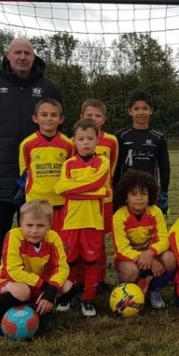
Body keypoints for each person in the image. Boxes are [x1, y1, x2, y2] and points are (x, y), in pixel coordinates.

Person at [0, 38, 63, 282]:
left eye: (27, 53)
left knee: (39, 222)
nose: (22, 57)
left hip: (40, 174)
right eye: (18, 52)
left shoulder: (49, 87)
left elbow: (58, 119)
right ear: (8, 55)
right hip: (1, 168)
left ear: (34, 57)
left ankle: (43, 267)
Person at [0, 199, 75, 337]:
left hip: (37, 283)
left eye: (40, 225)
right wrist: (45, 286)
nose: (34, 230)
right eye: (29, 225)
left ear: (50, 225)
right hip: (10, 281)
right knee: (22, 291)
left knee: (67, 286)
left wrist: (51, 290)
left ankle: (36, 311)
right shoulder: (14, 235)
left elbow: (62, 267)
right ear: (21, 223)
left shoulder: (53, 238)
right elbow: (13, 271)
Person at [54, 119, 111, 317]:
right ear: (74, 141)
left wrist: (74, 189)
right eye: (81, 139)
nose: (86, 143)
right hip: (71, 221)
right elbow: (60, 189)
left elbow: (100, 184)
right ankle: (67, 295)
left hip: (93, 222)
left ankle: (88, 298)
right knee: (69, 260)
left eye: (90, 138)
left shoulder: (102, 161)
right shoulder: (68, 164)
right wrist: (95, 191)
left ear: (97, 140)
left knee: (91, 260)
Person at [111, 169, 176, 309]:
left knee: (170, 259)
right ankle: (130, 289)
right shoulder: (119, 216)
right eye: (133, 194)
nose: (139, 198)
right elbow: (121, 249)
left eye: (144, 194)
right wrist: (148, 259)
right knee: (131, 271)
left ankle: (154, 290)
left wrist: (150, 253)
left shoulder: (155, 212)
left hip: (151, 255)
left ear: (150, 195)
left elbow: (164, 240)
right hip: (130, 260)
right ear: (125, 197)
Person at [80, 98, 119, 294]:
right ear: (81, 117)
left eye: (97, 116)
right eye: (89, 116)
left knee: (100, 240)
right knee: (80, 239)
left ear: (103, 119)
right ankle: (79, 279)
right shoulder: (75, 141)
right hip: (81, 201)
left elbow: (112, 168)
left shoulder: (111, 141)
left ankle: (100, 279)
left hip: (104, 199)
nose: (93, 119)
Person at [19, 98, 74, 233]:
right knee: (37, 235)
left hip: (60, 200)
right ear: (35, 118)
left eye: (54, 115)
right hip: (35, 201)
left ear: (61, 119)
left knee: (59, 238)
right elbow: (25, 171)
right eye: (44, 115)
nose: (49, 119)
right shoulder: (27, 144)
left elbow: (72, 171)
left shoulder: (68, 145)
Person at [114, 90, 170, 216]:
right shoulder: (121, 136)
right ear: (130, 111)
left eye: (145, 108)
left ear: (151, 111)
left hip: (149, 190)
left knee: (149, 227)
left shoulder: (158, 137)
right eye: (136, 108)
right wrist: (116, 191)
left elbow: (164, 167)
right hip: (126, 191)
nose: (141, 112)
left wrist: (164, 191)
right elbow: (116, 166)